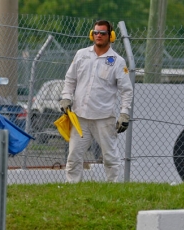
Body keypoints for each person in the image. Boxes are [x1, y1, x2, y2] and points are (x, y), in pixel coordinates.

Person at [59, 20, 133, 182]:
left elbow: (126, 90)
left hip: (104, 118)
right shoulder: (81, 54)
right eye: (96, 32)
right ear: (91, 34)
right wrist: (66, 97)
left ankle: (113, 188)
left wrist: (124, 114)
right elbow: (70, 79)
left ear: (111, 36)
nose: (98, 36)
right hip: (80, 117)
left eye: (103, 33)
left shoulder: (117, 61)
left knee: (110, 157)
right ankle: (71, 188)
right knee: (73, 157)